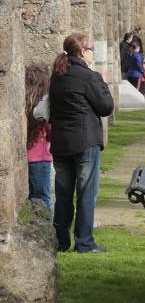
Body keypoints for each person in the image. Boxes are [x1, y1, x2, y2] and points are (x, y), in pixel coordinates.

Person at [50, 33, 115, 253]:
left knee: (64, 194)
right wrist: (104, 83)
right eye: (90, 49)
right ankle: (84, 242)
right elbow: (106, 106)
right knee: (86, 193)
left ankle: (61, 240)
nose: (91, 53)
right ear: (82, 52)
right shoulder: (89, 76)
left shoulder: (58, 74)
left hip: (61, 142)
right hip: (85, 142)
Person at [26, 64, 53, 219]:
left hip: (24, 158)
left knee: (29, 199)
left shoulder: (24, 104)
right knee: (43, 198)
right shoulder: (43, 106)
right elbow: (50, 132)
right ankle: (49, 231)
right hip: (40, 158)